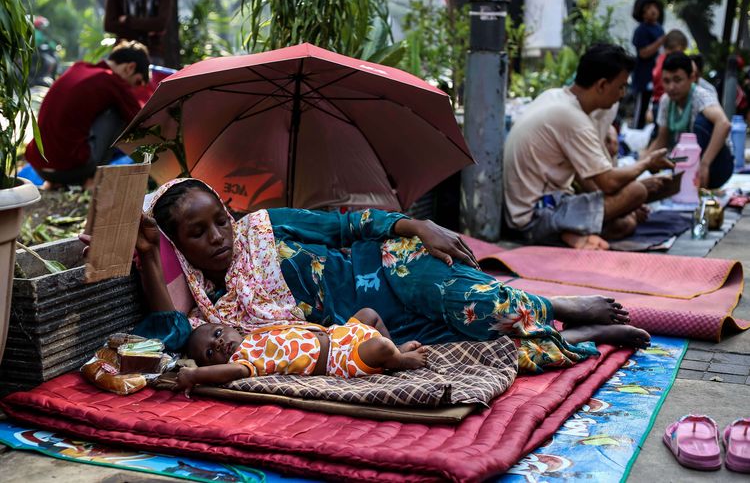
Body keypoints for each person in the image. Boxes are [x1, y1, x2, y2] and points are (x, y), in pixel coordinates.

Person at [128, 178, 651, 377]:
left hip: (390, 269)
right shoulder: (209, 312)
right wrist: (150, 258)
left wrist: (416, 224)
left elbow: (347, 225)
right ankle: (578, 337)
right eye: (198, 233)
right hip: (375, 327)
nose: (220, 235)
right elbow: (164, 334)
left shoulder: (266, 225)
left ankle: (560, 308)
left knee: (480, 308)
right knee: (478, 351)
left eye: (220, 217)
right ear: (179, 246)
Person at [503, 44, 674, 250]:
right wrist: (646, 163)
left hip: (536, 209)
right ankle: (568, 234)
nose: (622, 94)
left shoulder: (555, 97)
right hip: (535, 218)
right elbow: (608, 182)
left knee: (626, 219)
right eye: (620, 86)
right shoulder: (573, 118)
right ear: (601, 85)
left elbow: (590, 178)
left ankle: (576, 233)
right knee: (636, 192)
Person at [175, 308, 427, 395]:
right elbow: (232, 372)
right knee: (379, 347)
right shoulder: (246, 359)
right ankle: (398, 359)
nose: (218, 344)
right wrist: (194, 376)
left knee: (369, 314)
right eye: (210, 353)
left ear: (228, 326)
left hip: (338, 334)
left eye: (217, 334)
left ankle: (395, 348)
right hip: (340, 359)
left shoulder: (251, 334)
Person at [25, 41, 150, 187]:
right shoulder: (113, 81)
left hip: (39, 166)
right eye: (137, 82)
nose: (132, 89)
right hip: (73, 169)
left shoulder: (78, 68)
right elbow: (142, 123)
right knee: (120, 113)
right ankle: (91, 180)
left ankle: (56, 182)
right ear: (130, 68)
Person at [646, 52, 733, 189]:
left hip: (713, 164)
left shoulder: (701, 96)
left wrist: (705, 164)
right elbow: (662, 138)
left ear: (691, 78)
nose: (671, 87)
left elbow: (724, 124)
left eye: (677, 80)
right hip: (684, 161)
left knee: (702, 122)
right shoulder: (666, 101)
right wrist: (643, 164)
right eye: (667, 81)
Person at [104, 0, 174, 65]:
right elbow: (109, 25)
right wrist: (147, 29)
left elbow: (160, 24)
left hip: (152, 52)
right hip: (122, 51)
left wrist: (127, 20)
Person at [631, 0, 665, 129]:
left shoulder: (659, 28)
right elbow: (643, 53)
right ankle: (636, 132)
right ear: (642, 14)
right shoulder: (641, 30)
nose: (653, 11)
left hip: (657, 76)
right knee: (641, 107)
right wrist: (659, 42)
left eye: (654, 7)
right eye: (648, 9)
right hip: (644, 76)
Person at [651, 30, 689, 124]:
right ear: (679, 48)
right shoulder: (668, 64)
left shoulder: (660, 59)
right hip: (664, 101)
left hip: (658, 100)